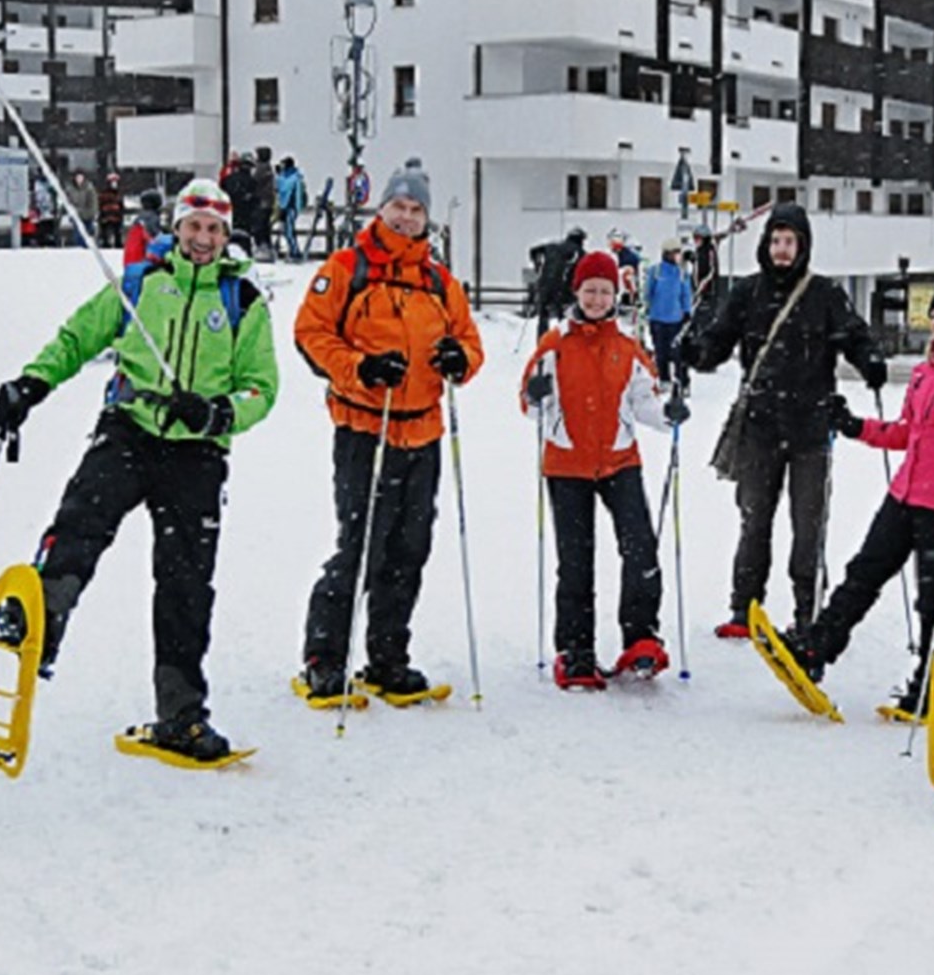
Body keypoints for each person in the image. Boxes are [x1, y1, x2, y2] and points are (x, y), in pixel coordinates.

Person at [0, 180, 279, 761]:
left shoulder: (242, 301)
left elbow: (261, 387)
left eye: (213, 229)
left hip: (196, 451)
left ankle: (181, 714)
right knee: (81, 521)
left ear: (226, 236)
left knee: (185, 583)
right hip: (130, 428)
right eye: (193, 226)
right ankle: (40, 622)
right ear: (177, 227)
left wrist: (217, 412)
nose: (202, 238)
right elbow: (77, 337)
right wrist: (31, 384)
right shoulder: (142, 283)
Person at [293, 157, 485, 703]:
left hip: (423, 431)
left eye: (416, 209)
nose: (406, 217)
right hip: (365, 428)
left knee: (409, 549)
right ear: (381, 209)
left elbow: (470, 342)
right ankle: (324, 657)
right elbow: (310, 333)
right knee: (360, 546)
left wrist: (460, 360)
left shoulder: (439, 281)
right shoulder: (346, 267)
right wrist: (361, 367)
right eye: (398, 206)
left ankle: (387, 656)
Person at [781, 275, 934, 706]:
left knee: (933, 597)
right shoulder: (926, 372)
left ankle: (933, 680)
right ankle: (816, 648)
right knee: (864, 572)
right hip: (906, 493)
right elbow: (907, 432)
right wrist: (856, 427)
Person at [680, 202, 886, 636]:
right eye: (775, 240)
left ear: (803, 246)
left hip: (811, 430)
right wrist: (695, 352)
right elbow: (718, 342)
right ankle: (744, 609)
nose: (782, 249)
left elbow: (854, 335)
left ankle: (807, 614)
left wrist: (869, 360)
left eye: (790, 241)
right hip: (760, 428)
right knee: (754, 522)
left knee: (807, 528)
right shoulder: (747, 293)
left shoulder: (825, 294)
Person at [521, 251, 688, 690]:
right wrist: (535, 394)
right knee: (576, 561)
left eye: (605, 291)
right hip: (567, 463)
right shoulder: (555, 344)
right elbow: (530, 406)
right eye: (590, 290)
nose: (597, 299)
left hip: (619, 460)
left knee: (641, 549)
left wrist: (669, 414)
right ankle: (575, 650)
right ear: (576, 292)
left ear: (616, 295)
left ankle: (641, 637)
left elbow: (645, 402)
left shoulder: (627, 347)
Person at [643, 237, 695, 388]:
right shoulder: (656, 272)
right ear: (666, 254)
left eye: (679, 252)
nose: (677, 256)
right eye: (674, 253)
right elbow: (647, 292)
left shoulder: (682, 273)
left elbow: (686, 294)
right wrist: (646, 307)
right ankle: (664, 379)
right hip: (658, 319)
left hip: (676, 320)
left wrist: (687, 311)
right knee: (661, 352)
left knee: (678, 353)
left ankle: (681, 380)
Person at [529, 227, 587, 333]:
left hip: (545, 286)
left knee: (543, 316)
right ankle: (564, 340)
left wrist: (537, 265)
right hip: (564, 289)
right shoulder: (580, 252)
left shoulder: (551, 247)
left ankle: (542, 340)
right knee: (565, 319)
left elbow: (533, 251)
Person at [221, 153, 260, 251]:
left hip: (230, 214)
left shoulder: (228, 179)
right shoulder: (253, 182)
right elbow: (256, 201)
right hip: (245, 217)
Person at [275, 155, 307, 261]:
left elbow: (296, 193)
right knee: (286, 231)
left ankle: (295, 252)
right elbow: (278, 188)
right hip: (284, 207)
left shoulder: (294, 178)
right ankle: (293, 250)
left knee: (289, 231)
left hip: (290, 207)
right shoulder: (284, 176)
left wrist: (297, 207)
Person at [123, 192, 163, 267]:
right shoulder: (151, 217)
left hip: (131, 259)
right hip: (142, 257)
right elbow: (156, 236)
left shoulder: (140, 217)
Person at [251, 147, 277, 259]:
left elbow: (254, 181)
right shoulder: (268, 168)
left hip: (261, 202)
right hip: (268, 202)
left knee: (260, 226)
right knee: (265, 226)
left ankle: (263, 248)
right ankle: (268, 247)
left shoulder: (261, 168)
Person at [97, 173, 125, 249]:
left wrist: (120, 213)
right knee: (105, 231)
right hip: (106, 215)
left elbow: (121, 205)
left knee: (118, 231)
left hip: (117, 216)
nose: (114, 184)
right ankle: (105, 243)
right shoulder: (104, 193)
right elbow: (101, 204)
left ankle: (118, 243)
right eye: (113, 182)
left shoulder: (119, 194)